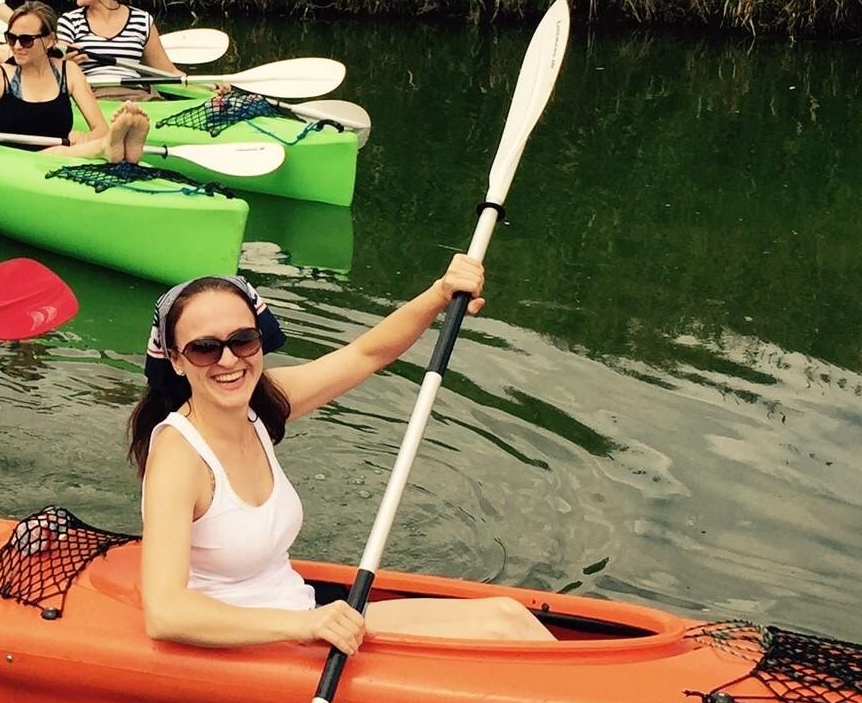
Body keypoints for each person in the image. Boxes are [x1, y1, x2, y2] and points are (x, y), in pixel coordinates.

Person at [131, 268, 554, 651]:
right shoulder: (178, 456)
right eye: (205, 349)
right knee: (499, 634)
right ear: (176, 360)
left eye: (243, 340)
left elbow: (366, 354)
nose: (229, 360)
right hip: (260, 645)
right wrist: (306, 625)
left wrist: (439, 294)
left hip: (306, 617)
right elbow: (166, 613)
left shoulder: (259, 404)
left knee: (507, 616)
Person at [0, 1, 150, 162]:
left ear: (50, 40)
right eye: (11, 38)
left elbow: (99, 127)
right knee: (65, 151)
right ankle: (106, 148)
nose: (16, 47)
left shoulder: (69, 72)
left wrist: (86, 137)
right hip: (7, 162)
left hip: (57, 159)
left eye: (26, 40)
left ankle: (114, 149)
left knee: (70, 149)